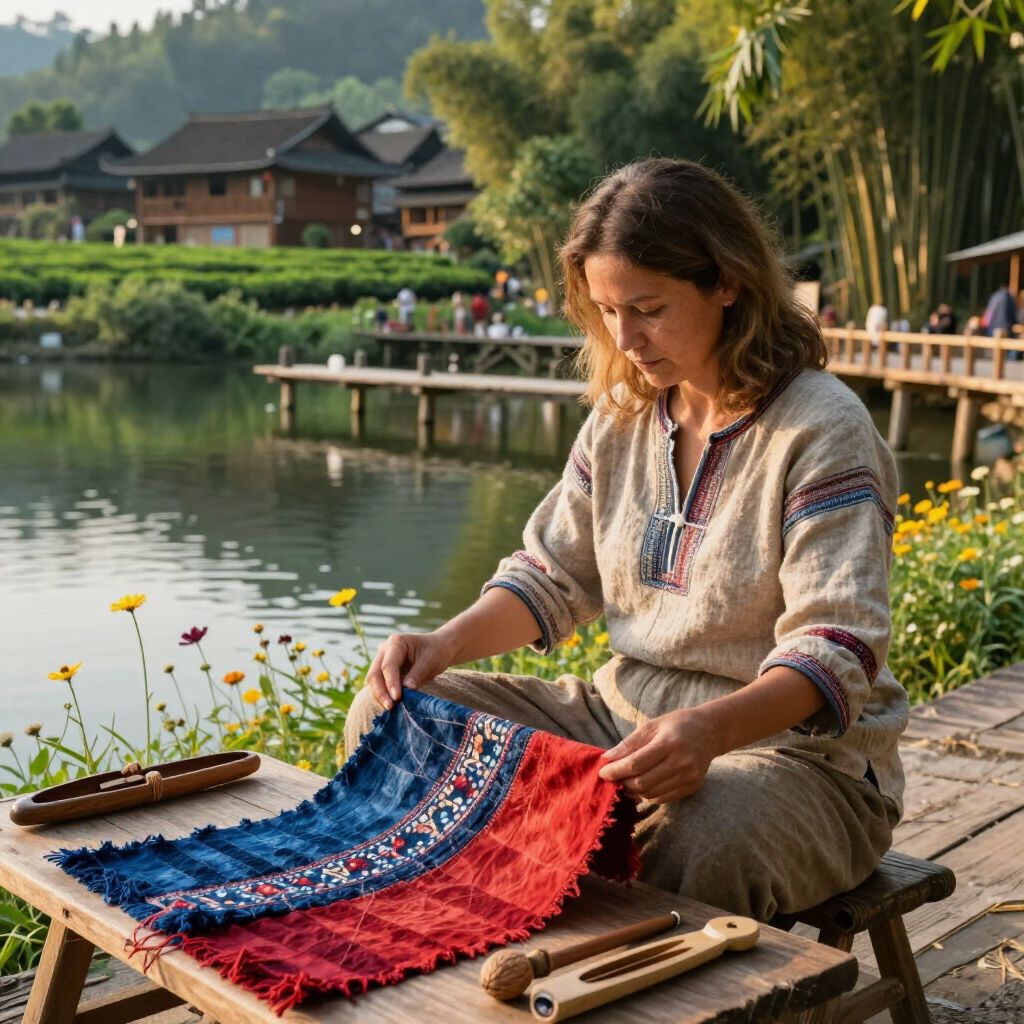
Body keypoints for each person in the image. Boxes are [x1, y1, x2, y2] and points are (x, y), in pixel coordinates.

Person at [345, 158, 907, 922]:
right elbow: (551, 575)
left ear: (727, 283)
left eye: (647, 308)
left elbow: (835, 649)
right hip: (621, 724)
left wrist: (708, 732)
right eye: (607, 311)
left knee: (699, 833)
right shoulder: (624, 415)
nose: (626, 338)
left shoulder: (824, 430)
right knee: (393, 714)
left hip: (798, 761)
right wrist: (442, 644)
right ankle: (464, 934)